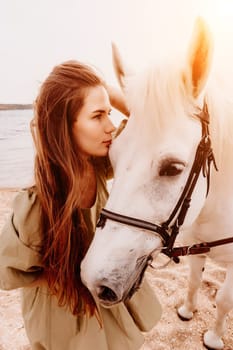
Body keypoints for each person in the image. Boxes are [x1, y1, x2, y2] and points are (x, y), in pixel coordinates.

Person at [0, 60, 162, 350]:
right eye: (97, 115)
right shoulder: (38, 201)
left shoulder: (99, 164)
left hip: (102, 293)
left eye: (109, 113)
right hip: (66, 313)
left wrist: (104, 89)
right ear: (64, 124)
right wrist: (62, 275)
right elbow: (5, 272)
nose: (111, 127)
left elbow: (150, 123)